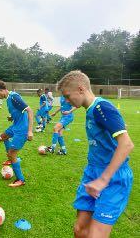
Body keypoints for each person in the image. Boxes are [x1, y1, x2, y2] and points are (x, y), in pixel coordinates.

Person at [57, 70, 134, 237]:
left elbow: (127, 144)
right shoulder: (91, 109)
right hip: (92, 172)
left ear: (81, 89)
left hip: (113, 178)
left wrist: (103, 180)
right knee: (80, 230)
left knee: (95, 235)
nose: (65, 100)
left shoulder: (101, 107)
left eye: (67, 95)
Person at [0, 79, 33, 187]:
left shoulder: (14, 97)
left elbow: (30, 110)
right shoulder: (9, 98)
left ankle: (20, 180)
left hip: (22, 129)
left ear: (1, 90)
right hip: (15, 125)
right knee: (3, 136)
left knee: (12, 153)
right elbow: (19, 111)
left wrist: (30, 131)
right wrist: (12, 117)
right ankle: (10, 158)